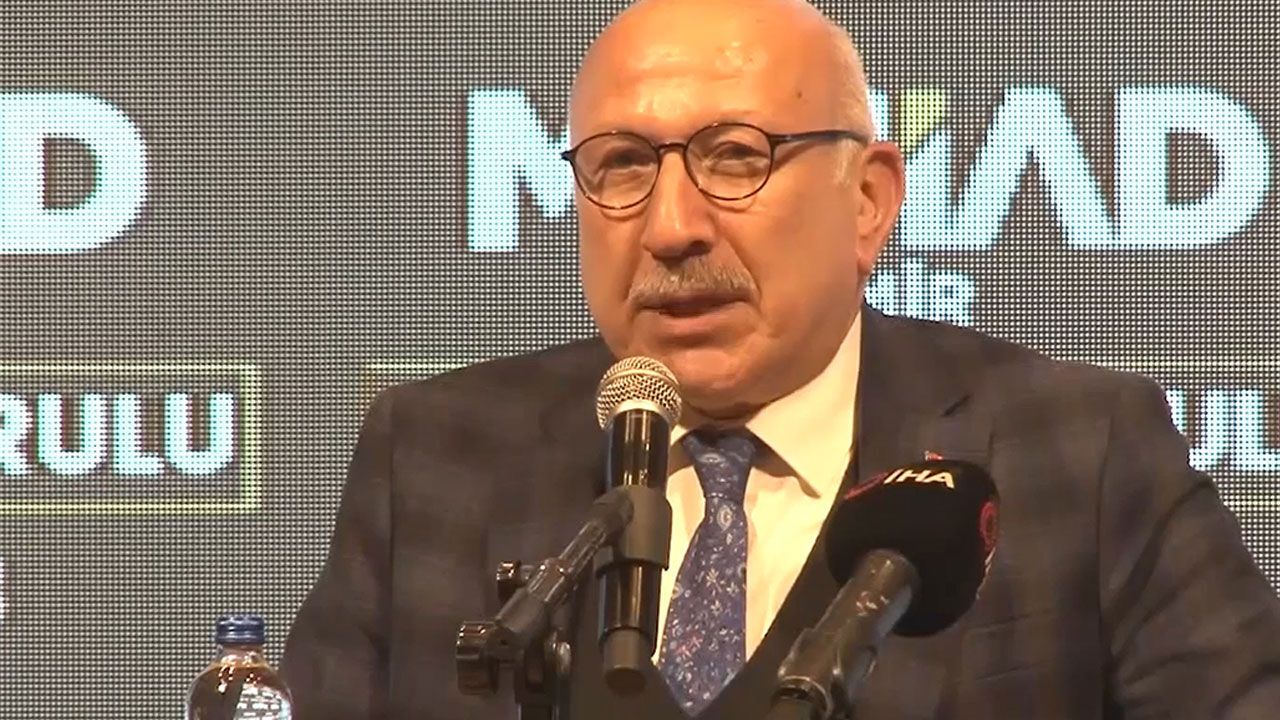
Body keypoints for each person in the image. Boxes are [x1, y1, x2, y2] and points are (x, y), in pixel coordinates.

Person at [280, 0, 1280, 717]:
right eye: (621, 166)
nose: (671, 227)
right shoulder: (434, 453)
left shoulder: (1079, 452)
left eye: (735, 157)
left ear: (868, 203)